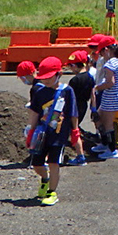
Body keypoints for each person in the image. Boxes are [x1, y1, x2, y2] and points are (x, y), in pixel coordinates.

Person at [25, 56, 78, 206]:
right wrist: (30, 129)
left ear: (58, 74)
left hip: (59, 134)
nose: (46, 81)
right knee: (37, 164)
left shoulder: (67, 91)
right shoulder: (39, 91)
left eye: (49, 77)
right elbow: (35, 112)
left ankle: (52, 192)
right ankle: (45, 179)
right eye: (43, 78)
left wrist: (75, 131)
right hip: (41, 133)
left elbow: (73, 113)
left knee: (54, 162)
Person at [91, 36, 118, 160]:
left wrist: (98, 87)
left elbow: (110, 82)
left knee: (108, 125)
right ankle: (105, 145)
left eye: (102, 52)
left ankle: (112, 149)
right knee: (99, 117)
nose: (101, 55)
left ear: (107, 50)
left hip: (111, 97)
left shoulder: (110, 63)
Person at [65, 49, 95, 165]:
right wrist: (93, 107)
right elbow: (92, 94)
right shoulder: (89, 77)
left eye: (71, 66)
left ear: (74, 65)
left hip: (73, 107)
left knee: (70, 131)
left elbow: (69, 97)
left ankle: (80, 156)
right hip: (83, 105)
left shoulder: (75, 80)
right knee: (74, 130)